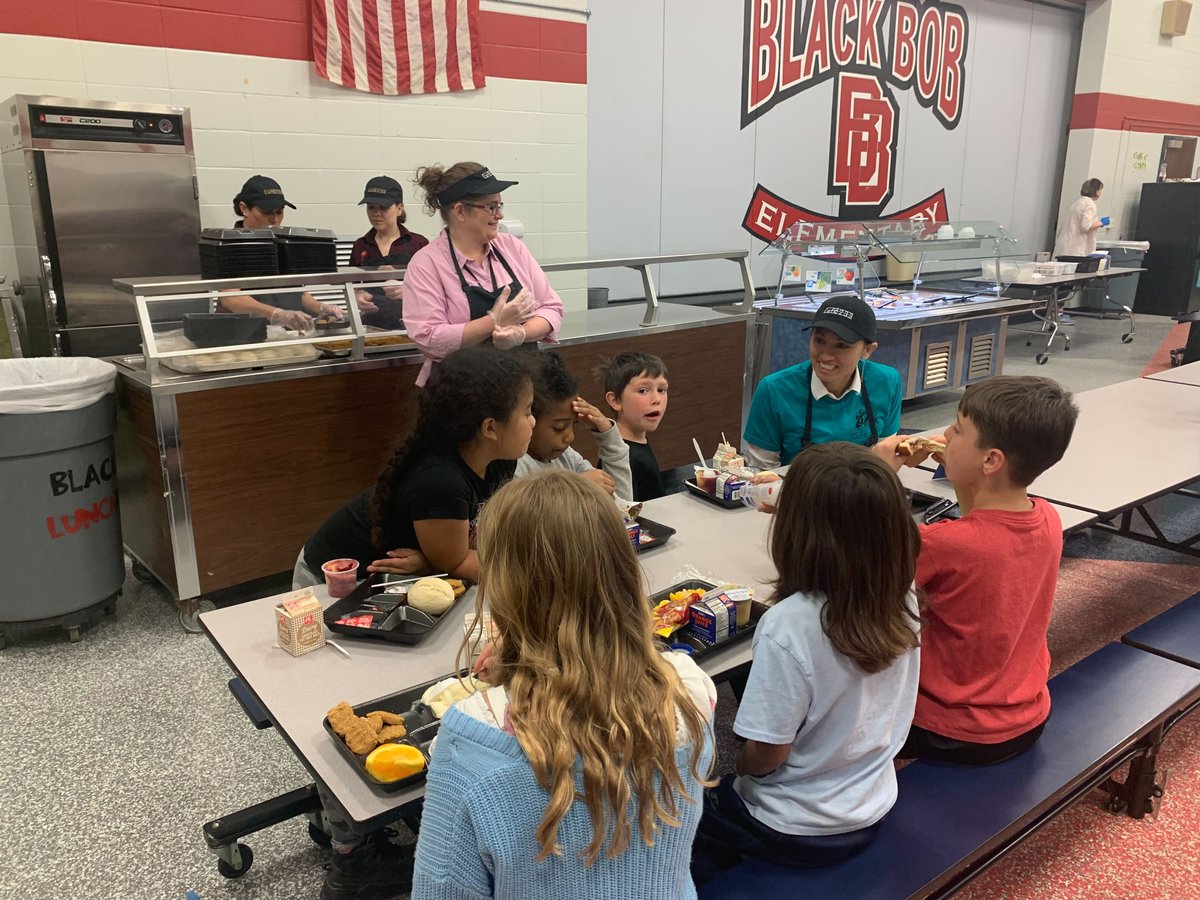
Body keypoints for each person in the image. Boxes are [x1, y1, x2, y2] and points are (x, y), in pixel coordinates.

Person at [412, 470, 717, 900]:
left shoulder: (469, 737)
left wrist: (522, 652)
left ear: (503, 589)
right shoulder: (692, 688)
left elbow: (441, 890)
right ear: (623, 571)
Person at [693, 443, 920, 879]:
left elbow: (767, 755)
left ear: (796, 531)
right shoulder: (900, 590)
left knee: (692, 813)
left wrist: (736, 768)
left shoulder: (788, 625)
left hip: (793, 825)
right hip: (871, 800)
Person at [874, 375, 1079, 765]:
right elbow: (983, 526)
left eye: (958, 429)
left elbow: (862, 571)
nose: (945, 434)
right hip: (1027, 716)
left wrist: (879, 474)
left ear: (991, 460)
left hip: (947, 727)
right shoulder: (1048, 517)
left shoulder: (944, 543)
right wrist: (961, 470)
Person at [295, 346, 533, 591]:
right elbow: (460, 562)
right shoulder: (441, 481)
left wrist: (435, 563)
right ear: (490, 428)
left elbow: (479, 543)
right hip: (336, 578)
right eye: (527, 412)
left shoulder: (499, 461)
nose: (533, 421)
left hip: (400, 580)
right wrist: (537, 577)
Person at [401, 162, 563, 386]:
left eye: (500, 205)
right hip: (462, 392)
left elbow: (552, 308)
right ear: (459, 211)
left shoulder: (512, 248)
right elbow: (430, 338)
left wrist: (520, 334)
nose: (500, 215)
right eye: (491, 206)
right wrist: (493, 321)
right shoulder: (426, 265)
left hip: (521, 387)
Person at [742, 296, 902, 469]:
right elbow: (761, 475)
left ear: (868, 350)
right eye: (819, 341)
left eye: (841, 345)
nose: (825, 355)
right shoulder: (774, 390)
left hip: (865, 489)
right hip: (796, 492)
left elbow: (885, 456)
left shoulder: (886, 381)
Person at [219, 174, 340, 331]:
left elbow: (298, 293)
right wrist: (277, 313)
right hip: (244, 333)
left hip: (286, 335)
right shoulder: (228, 246)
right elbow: (231, 299)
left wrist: (321, 307)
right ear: (244, 209)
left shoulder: (285, 244)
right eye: (267, 212)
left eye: (279, 212)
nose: (275, 220)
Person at [515, 351, 634, 501]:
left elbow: (621, 507)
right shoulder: (514, 468)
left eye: (574, 424)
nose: (570, 436)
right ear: (529, 420)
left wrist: (608, 437)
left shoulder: (566, 458)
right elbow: (530, 517)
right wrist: (576, 487)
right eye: (559, 427)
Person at [348, 175, 430, 330]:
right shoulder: (361, 246)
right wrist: (358, 296)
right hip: (372, 326)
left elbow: (436, 288)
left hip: (412, 326)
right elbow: (352, 285)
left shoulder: (418, 244)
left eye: (383, 207)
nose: (376, 213)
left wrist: (410, 293)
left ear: (399, 209)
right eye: (371, 207)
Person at [602, 351, 673, 501]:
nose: (656, 399)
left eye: (661, 390)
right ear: (615, 400)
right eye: (643, 391)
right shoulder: (619, 459)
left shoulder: (639, 445)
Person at [1053, 177, 1108, 259]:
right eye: (1100, 190)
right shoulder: (1089, 204)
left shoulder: (1078, 202)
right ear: (1096, 191)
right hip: (1075, 248)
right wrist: (1101, 223)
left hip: (1066, 245)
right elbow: (1086, 226)